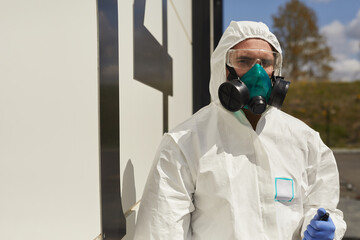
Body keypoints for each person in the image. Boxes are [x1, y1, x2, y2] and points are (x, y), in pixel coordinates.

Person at [133, 21, 346, 240]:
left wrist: (323, 225)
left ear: (276, 71)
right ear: (222, 67)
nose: (257, 72)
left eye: (265, 62)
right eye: (243, 61)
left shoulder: (305, 140)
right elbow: (160, 230)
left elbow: (324, 206)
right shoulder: (185, 142)